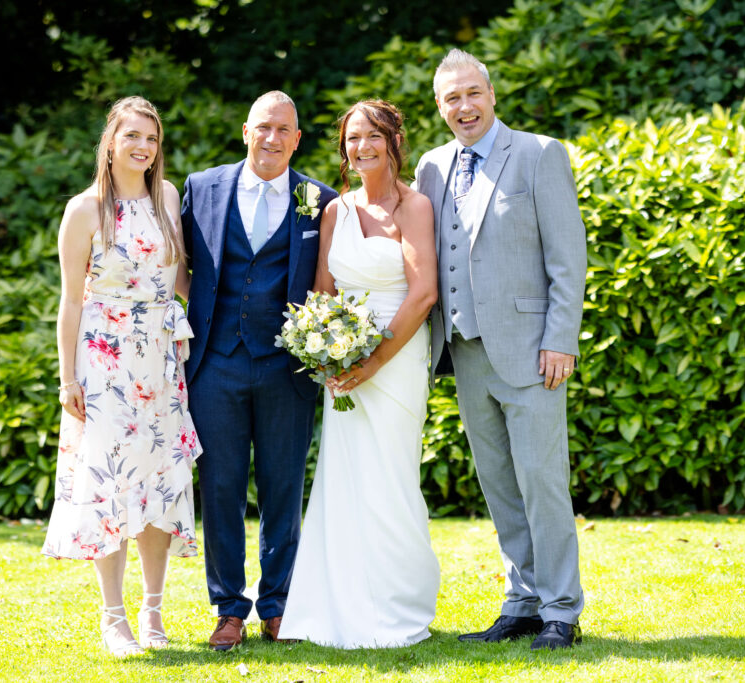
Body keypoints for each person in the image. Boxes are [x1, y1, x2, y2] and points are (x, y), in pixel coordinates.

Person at [413, 49, 588, 650]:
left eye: (471, 94)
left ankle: (562, 610)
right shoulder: (432, 168)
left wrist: (561, 339)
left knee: (542, 481)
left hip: (532, 350)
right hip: (464, 350)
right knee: (499, 484)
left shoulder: (539, 154)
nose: (463, 107)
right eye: (450, 99)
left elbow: (569, 257)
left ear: (491, 94)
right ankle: (523, 600)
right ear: (440, 107)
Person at [42, 96, 201, 657]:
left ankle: (153, 614)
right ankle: (114, 618)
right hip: (103, 362)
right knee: (109, 484)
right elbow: (68, 302)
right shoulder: (83, 210)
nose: (143, 147)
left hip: (160, 358)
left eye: (152, 139)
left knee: (159, 482)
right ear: (110, 142)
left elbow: (180, 278)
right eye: (132, 136)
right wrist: (68, 380)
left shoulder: (167, 199)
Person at [279, 100, 440, 648]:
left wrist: (371, 362)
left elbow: (423, 293)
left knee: (389, 479)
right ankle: (336, 605)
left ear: (394, 142)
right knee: (343, 480)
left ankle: (399, 604)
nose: (361, 147)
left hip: (395, 363)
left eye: (373, 136)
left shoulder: (415, 207)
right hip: (342, 366)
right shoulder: (335, 211)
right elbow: (322, 292)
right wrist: (324, 354)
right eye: (352, 139)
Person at [180, 91, 336, 650]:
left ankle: (277, 605)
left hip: (286, 368)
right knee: (220, 488)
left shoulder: (319, 199)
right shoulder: (202, 187)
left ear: (298, 140)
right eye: (264, 127)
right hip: (215, 365)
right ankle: (228, 609)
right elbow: (177, 263)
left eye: (285, 130)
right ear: (246, 130)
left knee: (281, 488)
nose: (273, 138)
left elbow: (330, 280)